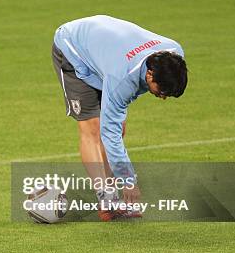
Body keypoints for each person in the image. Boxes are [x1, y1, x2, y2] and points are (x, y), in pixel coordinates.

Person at [51, 15, 188, 221]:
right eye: (162, 92)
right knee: (95, 129)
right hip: (74, 48)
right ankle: (106, 198)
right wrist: (129, 181)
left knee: (117, 128)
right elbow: (109, 133)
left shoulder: (174, 53)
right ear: (150, 75)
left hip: (107, 51)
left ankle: (113, 195)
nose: (164, 97)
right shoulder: (122, 77)